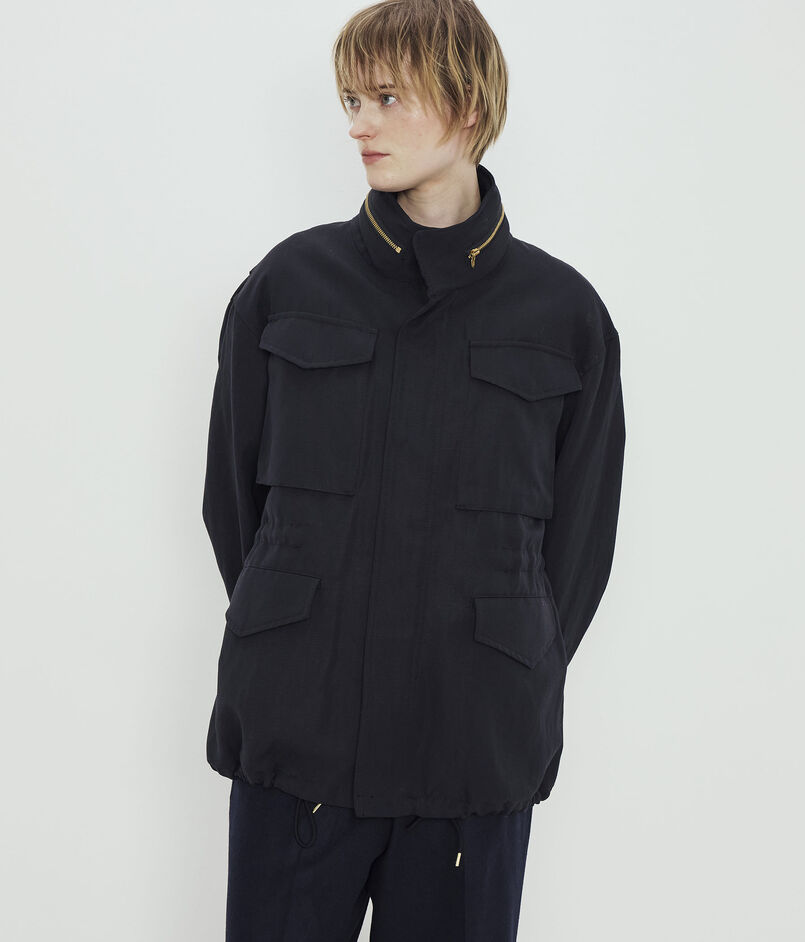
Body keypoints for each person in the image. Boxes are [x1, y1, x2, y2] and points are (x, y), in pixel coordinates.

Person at [202, 1, 626, 939]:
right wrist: (302, 634)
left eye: (387, 97)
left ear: (467, 104)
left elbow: (579, 546)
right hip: (299, 741)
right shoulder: (287, 287)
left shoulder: (564, 316)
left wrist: (506, 668)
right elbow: (234, 507)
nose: (359, 123)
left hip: (469, 754)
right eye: (351, 99)